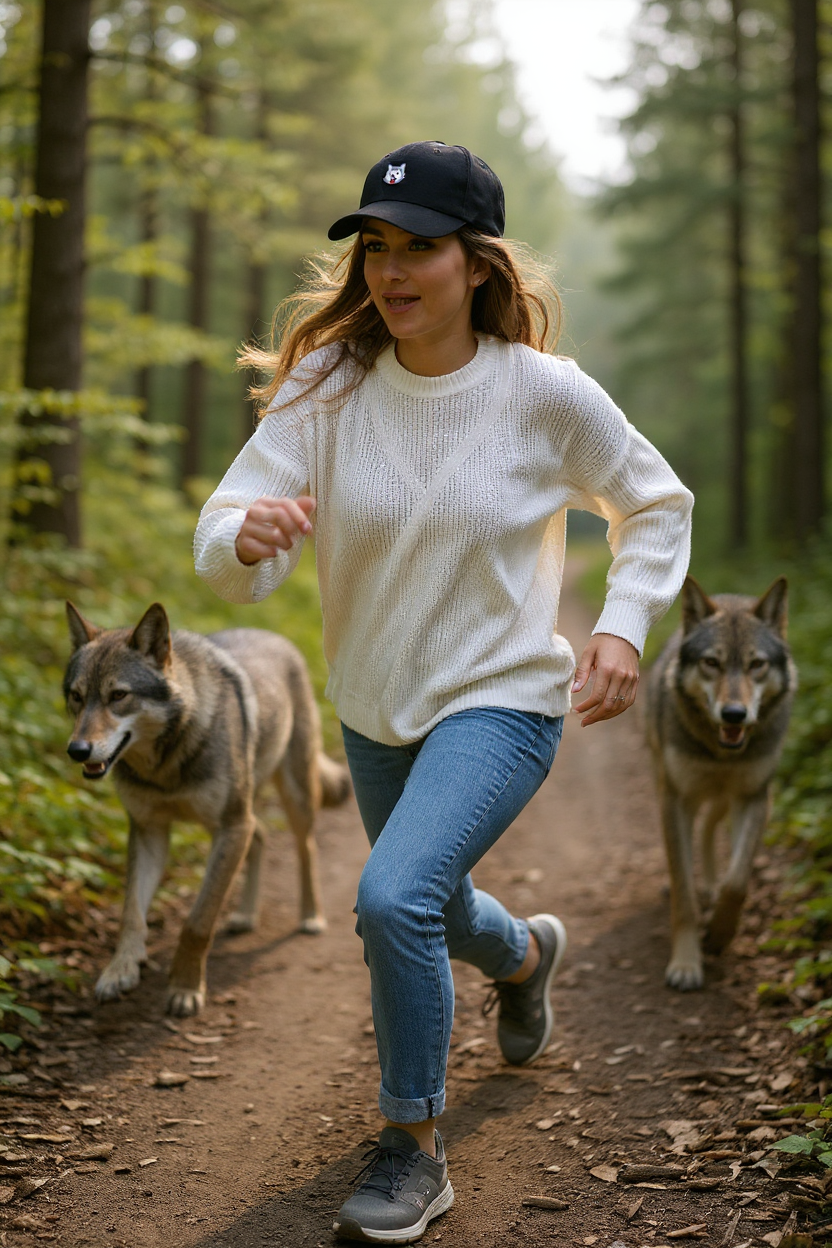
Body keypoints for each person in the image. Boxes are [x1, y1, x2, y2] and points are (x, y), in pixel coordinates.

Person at [194, 140, 693, 1244]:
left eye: (418, 245)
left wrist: (619, 626)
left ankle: (412, 1149)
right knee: (430, 900)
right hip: (374, 704)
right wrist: (248, 533)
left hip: (502, 700)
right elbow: (225, 538)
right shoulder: (327, 387)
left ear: (476, 262)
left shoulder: (542, 394)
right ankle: (527, 955)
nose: (390, 269)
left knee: (390, 899)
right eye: (373, 245)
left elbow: (654, 506)